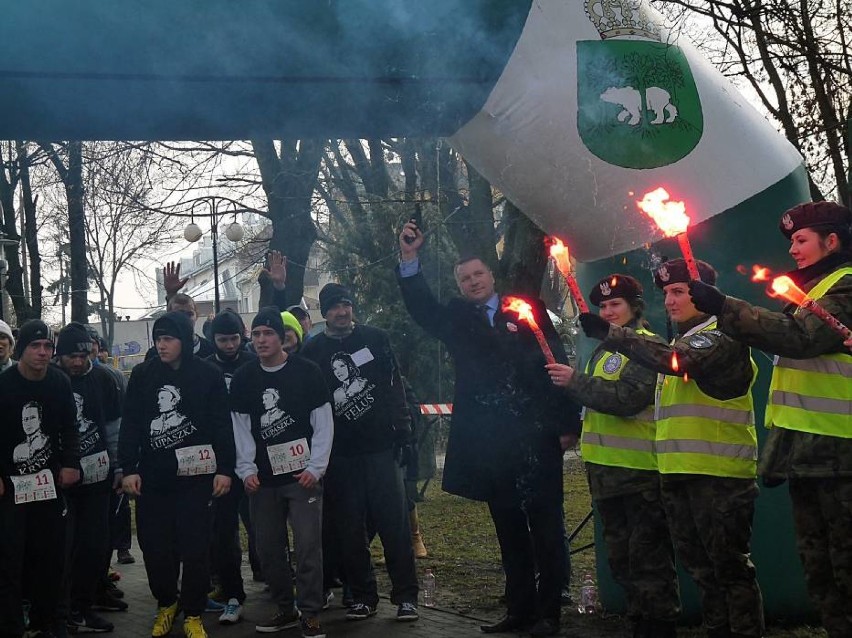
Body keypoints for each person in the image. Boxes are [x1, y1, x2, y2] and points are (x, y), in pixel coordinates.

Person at [396, 223, 581, 637]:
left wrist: (567, 423)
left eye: (478, 274)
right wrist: (410, 259)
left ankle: (550, 611)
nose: (472, 282)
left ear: (491, 277)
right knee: (509, 528)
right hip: (492, 443)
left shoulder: (527, 310)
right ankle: (519, 609)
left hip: (536, 436)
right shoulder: (457, 319)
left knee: (546, 526)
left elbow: (558, 363)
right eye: (465, 278)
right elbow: (422, 308)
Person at [688, 201, 852, 638]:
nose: (793, 250)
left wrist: (725, 307)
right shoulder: (811, 292)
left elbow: (802, 339)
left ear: (831, 240)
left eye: (801, 240)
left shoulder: (846, 285)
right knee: (821, 574)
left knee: (846, 569)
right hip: (808, 453)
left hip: (842, 454)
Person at [580, 258, 764, 638]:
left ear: (705, 294)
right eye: (666, 293)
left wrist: (612, 334)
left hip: (719, 476)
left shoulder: (721, 334)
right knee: (703, 573)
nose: (669, 301)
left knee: (729, 572)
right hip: (680, 474)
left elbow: (677, 363)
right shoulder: (683, 339)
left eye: (679, 291)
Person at [547, 275, 680, 637]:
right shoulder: (603, 351)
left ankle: (659, 627)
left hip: (641, 473)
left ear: (635, 307)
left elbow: (627, 398)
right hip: (606, 472)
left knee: (649, 561)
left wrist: (575, 382)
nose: (607, 311)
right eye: (603, 307)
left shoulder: (647, 346)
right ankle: (638, 623)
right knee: (621, 561)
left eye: (615, 305)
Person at [301, 283, 420, 622]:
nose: (342, 312)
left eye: (346, 305)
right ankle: (364, 596)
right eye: (335, 307)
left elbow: (394, 384)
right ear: (324, 313)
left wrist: (404, 430)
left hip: (382, 449)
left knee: (394, 525)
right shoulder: (314, 352)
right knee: (350, 531)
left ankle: (406, 596)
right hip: (340, 456)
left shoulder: (376, 339)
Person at [119, 311, 235, 638]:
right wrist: (128, 469)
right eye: (158, 339)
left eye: (168, 339)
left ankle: (194, 612)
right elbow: (130, 425)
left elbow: (221, 426)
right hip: (154, 481)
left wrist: (225, 469)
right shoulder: (142, 375)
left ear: (184, 340)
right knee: (155, 548)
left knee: (196, 549)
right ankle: (166, 603)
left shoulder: (208, 375)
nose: (161, 345)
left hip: (198, 480)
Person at [231, 307, 333, 637]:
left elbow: (323, 422)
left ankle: (311, 612)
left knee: (307, 546)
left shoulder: (307, 372)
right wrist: (246, 470)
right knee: (268, 548)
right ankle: (284, 608)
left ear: (282, 338)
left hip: (302, 477)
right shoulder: (246, 377)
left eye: (268, 333)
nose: (261, 340)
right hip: (263, 481)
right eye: (256, 334)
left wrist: (316, 467)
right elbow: (241, 428)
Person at [0, 320, 81, 637]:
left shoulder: (59, 383)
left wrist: (72, 464)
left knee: (51, 557)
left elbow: (69, 428)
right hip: (11, 489)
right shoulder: (5, 385)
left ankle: (48, 621)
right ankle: (11, 626)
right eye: (36, 346)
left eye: (48, 346)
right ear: (22, 350)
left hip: (49, 487)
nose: (43, 352)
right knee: (10, 561)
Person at [54, 323, 123, 634]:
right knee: (63, 549)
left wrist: (119, 468)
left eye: (83, 355)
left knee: (95, 546)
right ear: (60, 356)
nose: (78, 362)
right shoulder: (52, 381)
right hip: (61, 485)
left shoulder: (104, 379)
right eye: (71, 356)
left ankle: (85, 605)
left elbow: (113, 428)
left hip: (98, 478)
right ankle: (62, 610)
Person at [205, 309, 258, 625]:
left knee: (263, 528)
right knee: (223, 533)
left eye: (234, 338)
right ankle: (233, 592)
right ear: (213, 339)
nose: (228, 345)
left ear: (243, 337)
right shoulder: (206, 369)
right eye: (222, 339)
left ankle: (279, 584)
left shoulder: (252, 364)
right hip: (220, 461)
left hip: (253, 458)